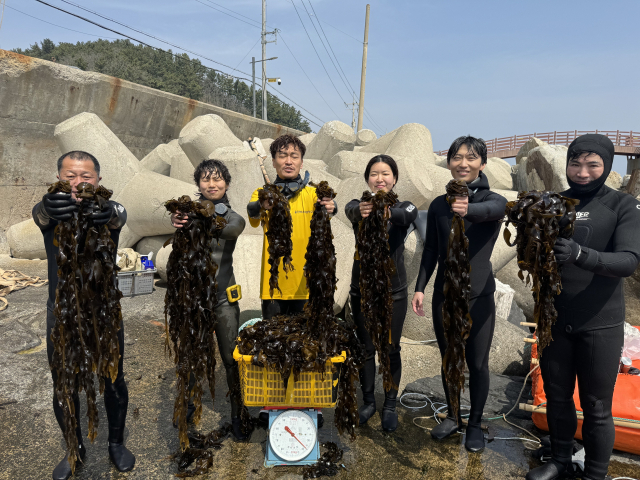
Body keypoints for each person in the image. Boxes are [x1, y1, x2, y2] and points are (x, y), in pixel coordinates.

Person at [525, 134, 640, 480]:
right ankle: (560, 459)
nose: (583, 172)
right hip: (554, 319)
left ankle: (594, 474)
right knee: (558, 398)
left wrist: (579, 254)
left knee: (596, 407)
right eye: (575, 163)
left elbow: (628, 260)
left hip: (599, 323)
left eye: (593, 164)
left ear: (607, 165)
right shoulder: (553, 202)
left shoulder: (623, 205)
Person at [33, 151, 135, 480]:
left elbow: (120, 215)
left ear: (99, 181)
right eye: (70, 176)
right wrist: (45, 207)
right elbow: (40, 216)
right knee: (64, 385)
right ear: (60, 179)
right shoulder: (52, 210)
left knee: (113, 379)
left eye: (86, 177)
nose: (79, 183)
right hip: (61, 314)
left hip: (104, 315)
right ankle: (73, 449)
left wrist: (110, 210)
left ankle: (116, 443)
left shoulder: (107, 211)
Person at [412, 136, 507, 452]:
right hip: (444, 295)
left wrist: (469, 209)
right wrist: (420, 288)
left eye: (471, 157)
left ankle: (476, 423)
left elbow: (494, 209)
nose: (463, 163)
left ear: (483, 163)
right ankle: (453, 416)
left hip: (478, 296)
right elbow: (432, 250)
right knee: (449, 359)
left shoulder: (493, 199)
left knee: (477, 364)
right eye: (456, 157)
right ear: (449, 161)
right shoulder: (439, 204)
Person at [170, 159, 248, 441]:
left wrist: (201, 219)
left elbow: (231, 230)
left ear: (226, 183)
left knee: (231, 358)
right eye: (205, 180)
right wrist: (176, 220)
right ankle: (188, 410)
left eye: (217, 180)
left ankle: (239, 413)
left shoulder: (233, 217)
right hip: (192, 299)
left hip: (222, 298)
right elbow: (176, 223)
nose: (211, 185)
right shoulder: (184, 214)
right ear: (198, 183)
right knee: (191, 358)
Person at [345, 155, 418, 433]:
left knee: (390, 349)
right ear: (367, 179)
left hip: (393, 292)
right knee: (366, 349)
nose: (380, 179)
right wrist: (363, 210)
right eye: (374, 174)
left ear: (395, 178)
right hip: (362, 289)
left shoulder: (403, 206)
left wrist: (386, 212)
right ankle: (367, 402)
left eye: (385, 173)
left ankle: (389, 403)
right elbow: (350, 209)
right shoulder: (358, 205)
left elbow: (408, 214)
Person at [246, 134, 336, 320]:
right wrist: (262, 204)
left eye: (294, 156)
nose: (288, 161)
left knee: (305, 344)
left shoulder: (313, 194)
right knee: (272, 342)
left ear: (301, 162)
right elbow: (252, 213)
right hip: (273, 288)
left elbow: (330, 209)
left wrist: (331, 208)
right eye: (282, 155)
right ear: (273, 162)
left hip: (307, 286)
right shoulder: (262, 194)